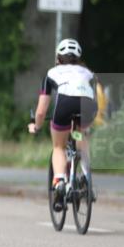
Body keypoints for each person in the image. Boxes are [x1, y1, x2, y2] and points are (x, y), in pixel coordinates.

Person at [28, 39, 100, 210]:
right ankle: (86, 175)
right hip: (88, 107)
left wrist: (36, 126)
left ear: (58, 58)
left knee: (59, 146)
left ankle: (60, 181)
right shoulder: (90, 73)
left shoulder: (52, 73)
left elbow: (41, 111)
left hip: (65, 106)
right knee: (79, 134)